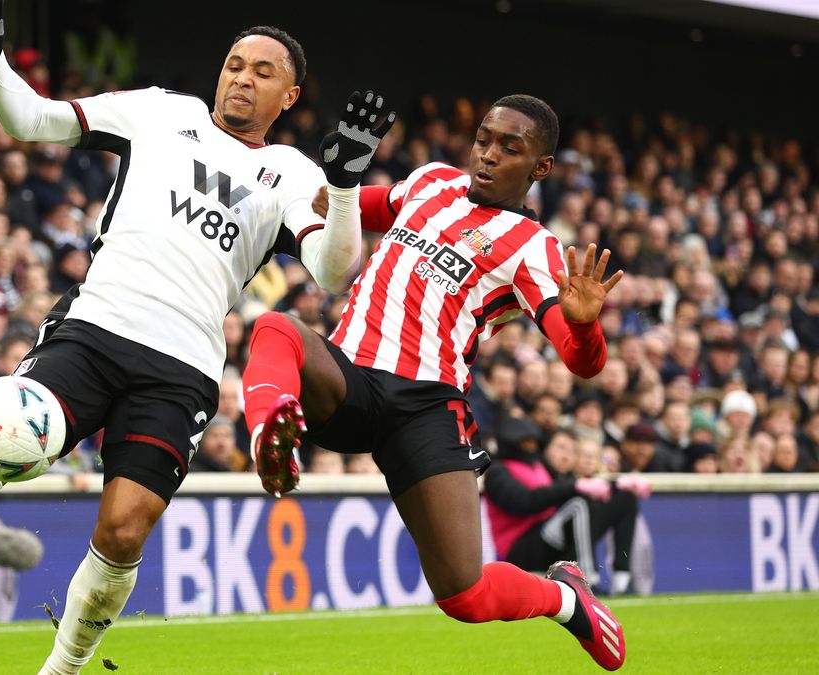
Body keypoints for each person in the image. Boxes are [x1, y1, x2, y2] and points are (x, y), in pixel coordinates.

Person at [0, 5, 390, 675]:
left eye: (263, 73)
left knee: (123, 529)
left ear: (288, 97)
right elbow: (32, 120)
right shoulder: (159, 111)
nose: (241, 80)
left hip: (182, 368)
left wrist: (344, 185)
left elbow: (331, 268)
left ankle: (62, 669)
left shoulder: (292, 172)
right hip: (95, 327)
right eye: (234, 65)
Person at [241, 95, 628, 669]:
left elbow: (581, 361)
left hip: (426, 407)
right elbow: (331, 208)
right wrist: (341, 183)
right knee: (275, 325)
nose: (489, 155)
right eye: (484, 140)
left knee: (464, 594)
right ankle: (268, 436)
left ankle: (566, 598)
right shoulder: (430, 183)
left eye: (510, 148)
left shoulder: (534, 248)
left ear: (540, 169)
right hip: (349, 378)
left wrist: (585, 325)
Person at [483, 417, 646, 595]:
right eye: (525, 441)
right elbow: (524, 502)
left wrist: (617, 486)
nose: (529, 446)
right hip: (522, 549)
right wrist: (574, 486)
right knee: (579, 504)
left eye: (572, 450)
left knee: (625, 499)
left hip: (552, 538)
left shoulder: (539, 467)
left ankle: (622, 582)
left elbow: (567, 496)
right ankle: (590, 581)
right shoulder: (499, 471)